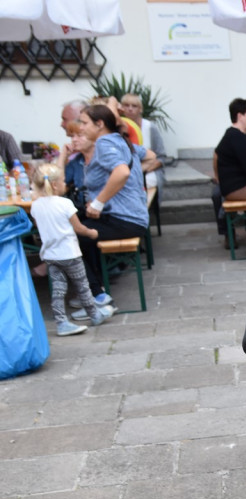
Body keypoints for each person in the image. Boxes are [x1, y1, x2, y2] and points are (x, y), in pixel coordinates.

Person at [76, 103, 153, 305]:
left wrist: (99, 203)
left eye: (84, 123)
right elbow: (150, 157)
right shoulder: (120, 140)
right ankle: (96, 286)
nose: (81, 128)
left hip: (124, 220)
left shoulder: (104, 144)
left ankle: (95, 295)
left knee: (69, 237)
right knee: (77, 226)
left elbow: (122, 172)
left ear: (99, 124)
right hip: (133, 216)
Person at [29, 163, 114, 336]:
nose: (64, 183)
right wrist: (92, 233)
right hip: (70, 254)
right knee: (82, 287)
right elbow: (79, 228)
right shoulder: (65, 203)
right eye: (62, 180)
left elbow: (39, 227)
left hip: (51, 256)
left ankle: (61, 323)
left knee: (58, 291)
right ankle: (94, 314)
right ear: (54, 185)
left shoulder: (35, 206)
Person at [121, 93, 170, 191]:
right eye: (126, 105)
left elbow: (161, 157)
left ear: (140, 109)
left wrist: (141, 171)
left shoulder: (150, 128)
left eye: (134, 106)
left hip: (148, 171)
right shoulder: (117, 127)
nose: (130, 109)